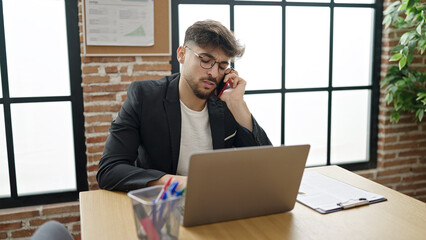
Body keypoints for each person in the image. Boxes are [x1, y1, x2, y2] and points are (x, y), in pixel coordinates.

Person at [97, 20, 271, 192]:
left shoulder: (226, 103)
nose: (213, 73)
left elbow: (267, 168)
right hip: (162, 206)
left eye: (222, 65)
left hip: (215, 202)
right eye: (205, 60)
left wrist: (237, 104)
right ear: (181, 54)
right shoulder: (145, 97)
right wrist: (179, 183)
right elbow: (109, 169)